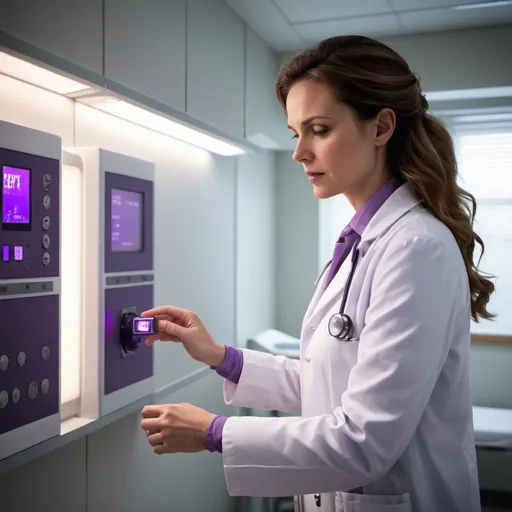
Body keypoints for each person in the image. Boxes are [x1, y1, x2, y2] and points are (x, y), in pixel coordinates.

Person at [139, 35, 495, 512]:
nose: (299, 152)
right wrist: (220, 356)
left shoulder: (415, 248)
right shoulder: (362, 242)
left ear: (381, 127)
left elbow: (364, 440)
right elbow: (330, 381)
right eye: (295, 133)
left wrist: (213, 432)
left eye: (320, 129)